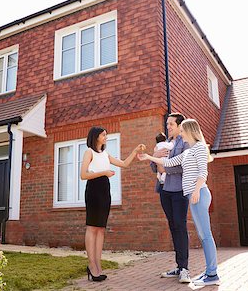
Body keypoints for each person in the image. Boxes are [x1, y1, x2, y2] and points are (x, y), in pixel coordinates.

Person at [139, 119, 220, 286]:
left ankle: (212, 274)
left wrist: (196, 191)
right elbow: (169, 162)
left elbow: (203, 173)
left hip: (199, 194)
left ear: (190, 131)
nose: (180, 134)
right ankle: (209, 272)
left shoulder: (198, 148)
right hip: (194, 195)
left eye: (182, 130)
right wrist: (148, 156)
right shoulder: (188, 152)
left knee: (206, 236)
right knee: (203, 235)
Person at [80, 126, 145, 282]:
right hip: (94, 190)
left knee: (101, 229)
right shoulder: (89, 152)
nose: (106, 137)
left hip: (104, 191)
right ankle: (92, 265)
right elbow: (83, 175)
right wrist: (104, 173)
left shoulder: (106, 154)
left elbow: (124, 164)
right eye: (103, 135)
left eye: (106, 135)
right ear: (96, 137)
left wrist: (135, 151)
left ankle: (97, 266)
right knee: (92, 227)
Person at [150, 113, 191, 283]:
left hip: (179, 190)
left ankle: (185, 269)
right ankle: (179, 266)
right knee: (173, 226)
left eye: (171, 124)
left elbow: (184, 166)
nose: (168, 126)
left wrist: (165, 168)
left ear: (180, 125)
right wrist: (157, 155)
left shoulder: (185, 142)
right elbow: (154, 167)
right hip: (164, 190)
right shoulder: (164, 144)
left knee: (180, 226)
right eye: (167, 124)